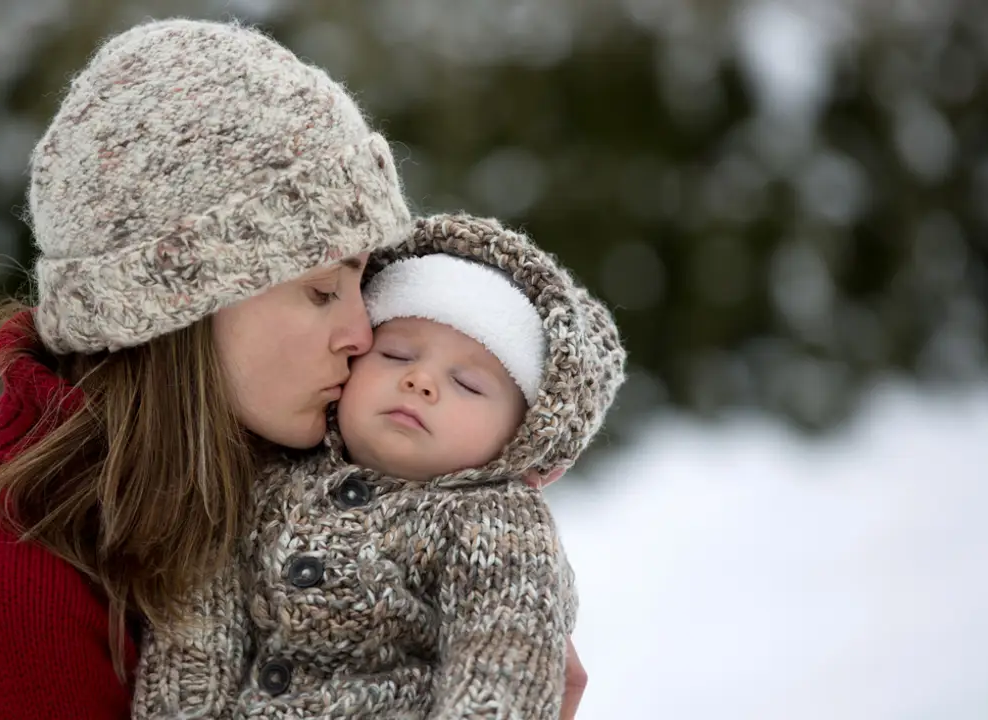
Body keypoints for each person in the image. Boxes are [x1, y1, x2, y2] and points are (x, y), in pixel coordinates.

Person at [0, 18, 589, 720]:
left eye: (362, 284)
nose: (360, 332)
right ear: (181, 302)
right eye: (320, 290)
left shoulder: (250, 477)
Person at [132, 214, 625, 719]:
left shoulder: (497, 523)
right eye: (395, 354)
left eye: (468, 385)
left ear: (520, 438)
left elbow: (504, 652)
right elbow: (201, 620)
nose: (420, 381)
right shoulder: (267, 477)